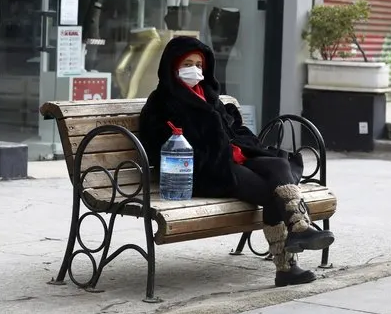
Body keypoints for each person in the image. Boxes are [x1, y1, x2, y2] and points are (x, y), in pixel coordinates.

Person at [139, 36, 335, 287]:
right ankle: (287, 266)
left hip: (234, 158)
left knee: (278, 165)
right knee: (272, 191)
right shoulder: (161, 103)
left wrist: (246, 145)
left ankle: (299, 227)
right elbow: (158, 146)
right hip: (203, 171)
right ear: (173, 66)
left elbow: (236, 131)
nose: (195, 70)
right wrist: (209, 148)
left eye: (199, 65)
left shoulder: (209, 95)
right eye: (187, 63)